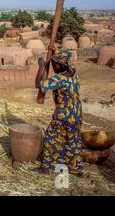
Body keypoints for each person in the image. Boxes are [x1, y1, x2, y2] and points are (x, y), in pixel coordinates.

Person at [35, 47, 84, 176]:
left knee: (50, 140)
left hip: (64, 116)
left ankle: (46, 168)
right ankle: (77, 170)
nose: (52, 66)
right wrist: (53, 50)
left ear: (60, 65)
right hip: (77, 115)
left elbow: (39, 84)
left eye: (54, 64)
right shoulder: (73, 72)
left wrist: (41, 66)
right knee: (73, 142)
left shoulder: (59, 80)